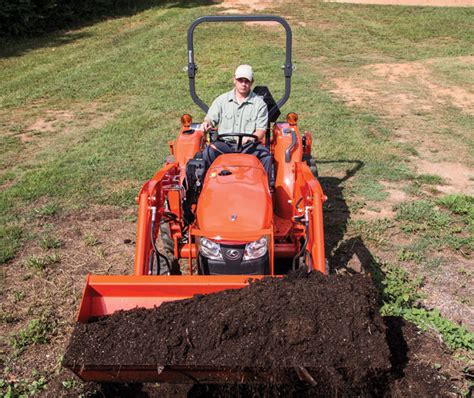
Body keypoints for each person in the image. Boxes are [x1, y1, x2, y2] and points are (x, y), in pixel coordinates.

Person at [200, 64, 272, 176]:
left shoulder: (259, 104)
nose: (243, 84)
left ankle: (265, 188)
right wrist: (207, 123)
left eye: (246, 81)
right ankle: (204, 187)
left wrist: (251, 137)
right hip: (225, 145)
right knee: (207, 153)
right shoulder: (222, 100)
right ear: (234, 80)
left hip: (248, 146)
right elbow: (210, 118)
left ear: (252, 82)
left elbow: (261, 130)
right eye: (240, 80)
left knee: (266, 156)